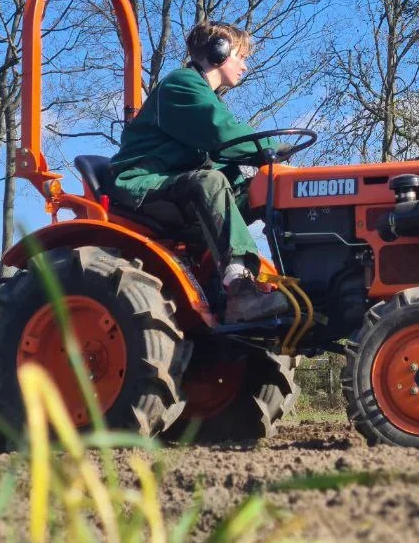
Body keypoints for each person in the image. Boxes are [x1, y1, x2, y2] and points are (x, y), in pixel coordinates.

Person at [109, 21, 290, 323]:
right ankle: (241, 289)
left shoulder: (209, 98)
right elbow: (222, 134)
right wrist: (271, 149)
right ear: (218, 52)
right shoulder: (181, 85)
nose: (245, 66)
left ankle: (298, 282)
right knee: (211, 181)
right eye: (241, 56)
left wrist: (271, 176)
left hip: (177, 184)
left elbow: (221, 155)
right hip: (142, 183)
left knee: (264, 190)